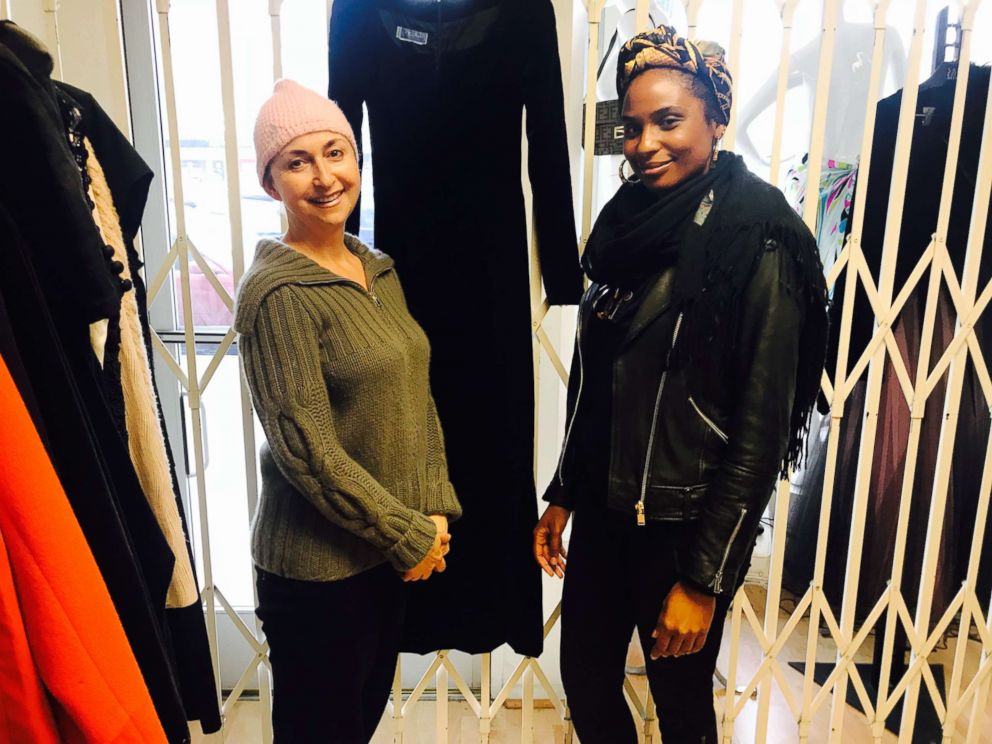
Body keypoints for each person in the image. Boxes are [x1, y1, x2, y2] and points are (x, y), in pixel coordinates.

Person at [533, 26, 828, 744]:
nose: (645, 143)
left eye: (669, 121)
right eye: (632, 127)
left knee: (681, 706)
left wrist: (704, 581)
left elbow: (760, 435)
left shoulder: (759, 235)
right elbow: (601, 381)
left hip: (681, 527)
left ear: (716, 121)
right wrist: (564, 493)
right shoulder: (625, 224)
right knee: (589, 686)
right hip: (605, 516)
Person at [233, 79, 462, 743]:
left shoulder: (375, 269)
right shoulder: (277, 295)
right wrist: (406, 532)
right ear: (272, 183)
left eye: (336, 153)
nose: (324, 176)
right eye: (296, 162)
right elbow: (308, 451)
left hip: (381, 558)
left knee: (357, 725)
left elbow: (415, 395)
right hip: (316, 575)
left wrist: (434, 504)